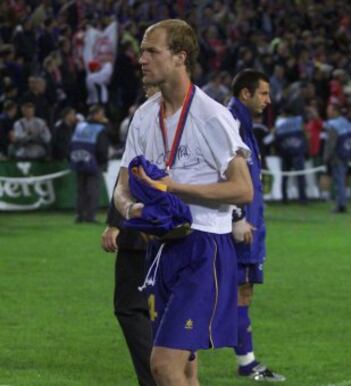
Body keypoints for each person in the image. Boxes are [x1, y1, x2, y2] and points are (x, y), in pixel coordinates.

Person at [114, 19, 253, 386]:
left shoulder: (212, 117)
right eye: (142, 51)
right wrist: (133, 210)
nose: (141, 58)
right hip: (164, 249)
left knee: (162, 365)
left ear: (180, 57)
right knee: (186, 369)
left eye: (151, 51)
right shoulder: (143, 117)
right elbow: (121, 186)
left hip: (204, 248)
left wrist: (173, 188)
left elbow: (243, 189)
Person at [228, 69, 285, 382]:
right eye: (263, 93)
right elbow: (220, 171)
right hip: (239, 229)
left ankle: (245, 360)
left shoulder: (246, 126)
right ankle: (245, 362)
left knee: (239, 291)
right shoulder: (232, 123)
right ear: (245, 94)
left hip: (250, 226)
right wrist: (237, 217)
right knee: (234, 292)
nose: (268, 99)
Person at [101, 181, 156, 386]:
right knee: (169, 310)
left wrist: (116, 223)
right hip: (186, 231)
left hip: (142, 233)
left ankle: (155, 378)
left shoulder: (140, 147)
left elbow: (128, 176)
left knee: (131, 309)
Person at [69, 104, 109, 223]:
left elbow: (71, 144)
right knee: (93, 190)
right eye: (101, 114)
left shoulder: (79, 126)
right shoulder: (100, 128)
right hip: (94, 163)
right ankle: (90, 216)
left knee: (81, 190)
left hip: (78, 161)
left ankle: (79, 215)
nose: (103, 116)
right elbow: (102, 148)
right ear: (96, 114)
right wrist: (103, 163)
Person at [323, 103, 351, 213]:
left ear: (335, 111)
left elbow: (330, 143)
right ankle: (342, 203)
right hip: (346, 154)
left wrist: (326, 157)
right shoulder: (346, 122)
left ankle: (341, 205)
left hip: (337, 155)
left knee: (339, 181)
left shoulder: (333, 124)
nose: (328, 112)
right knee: (341, 179)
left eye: (330, 109)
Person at [274, 104, 308, 204]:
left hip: (285, 152)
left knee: (285, 176)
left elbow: (275, 138)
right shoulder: (299, 121)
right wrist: (306, 149)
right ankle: (302, 198)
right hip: (298, 151)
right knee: (300, 176)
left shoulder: (279, 124)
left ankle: (284, 198)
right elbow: (305, 135)